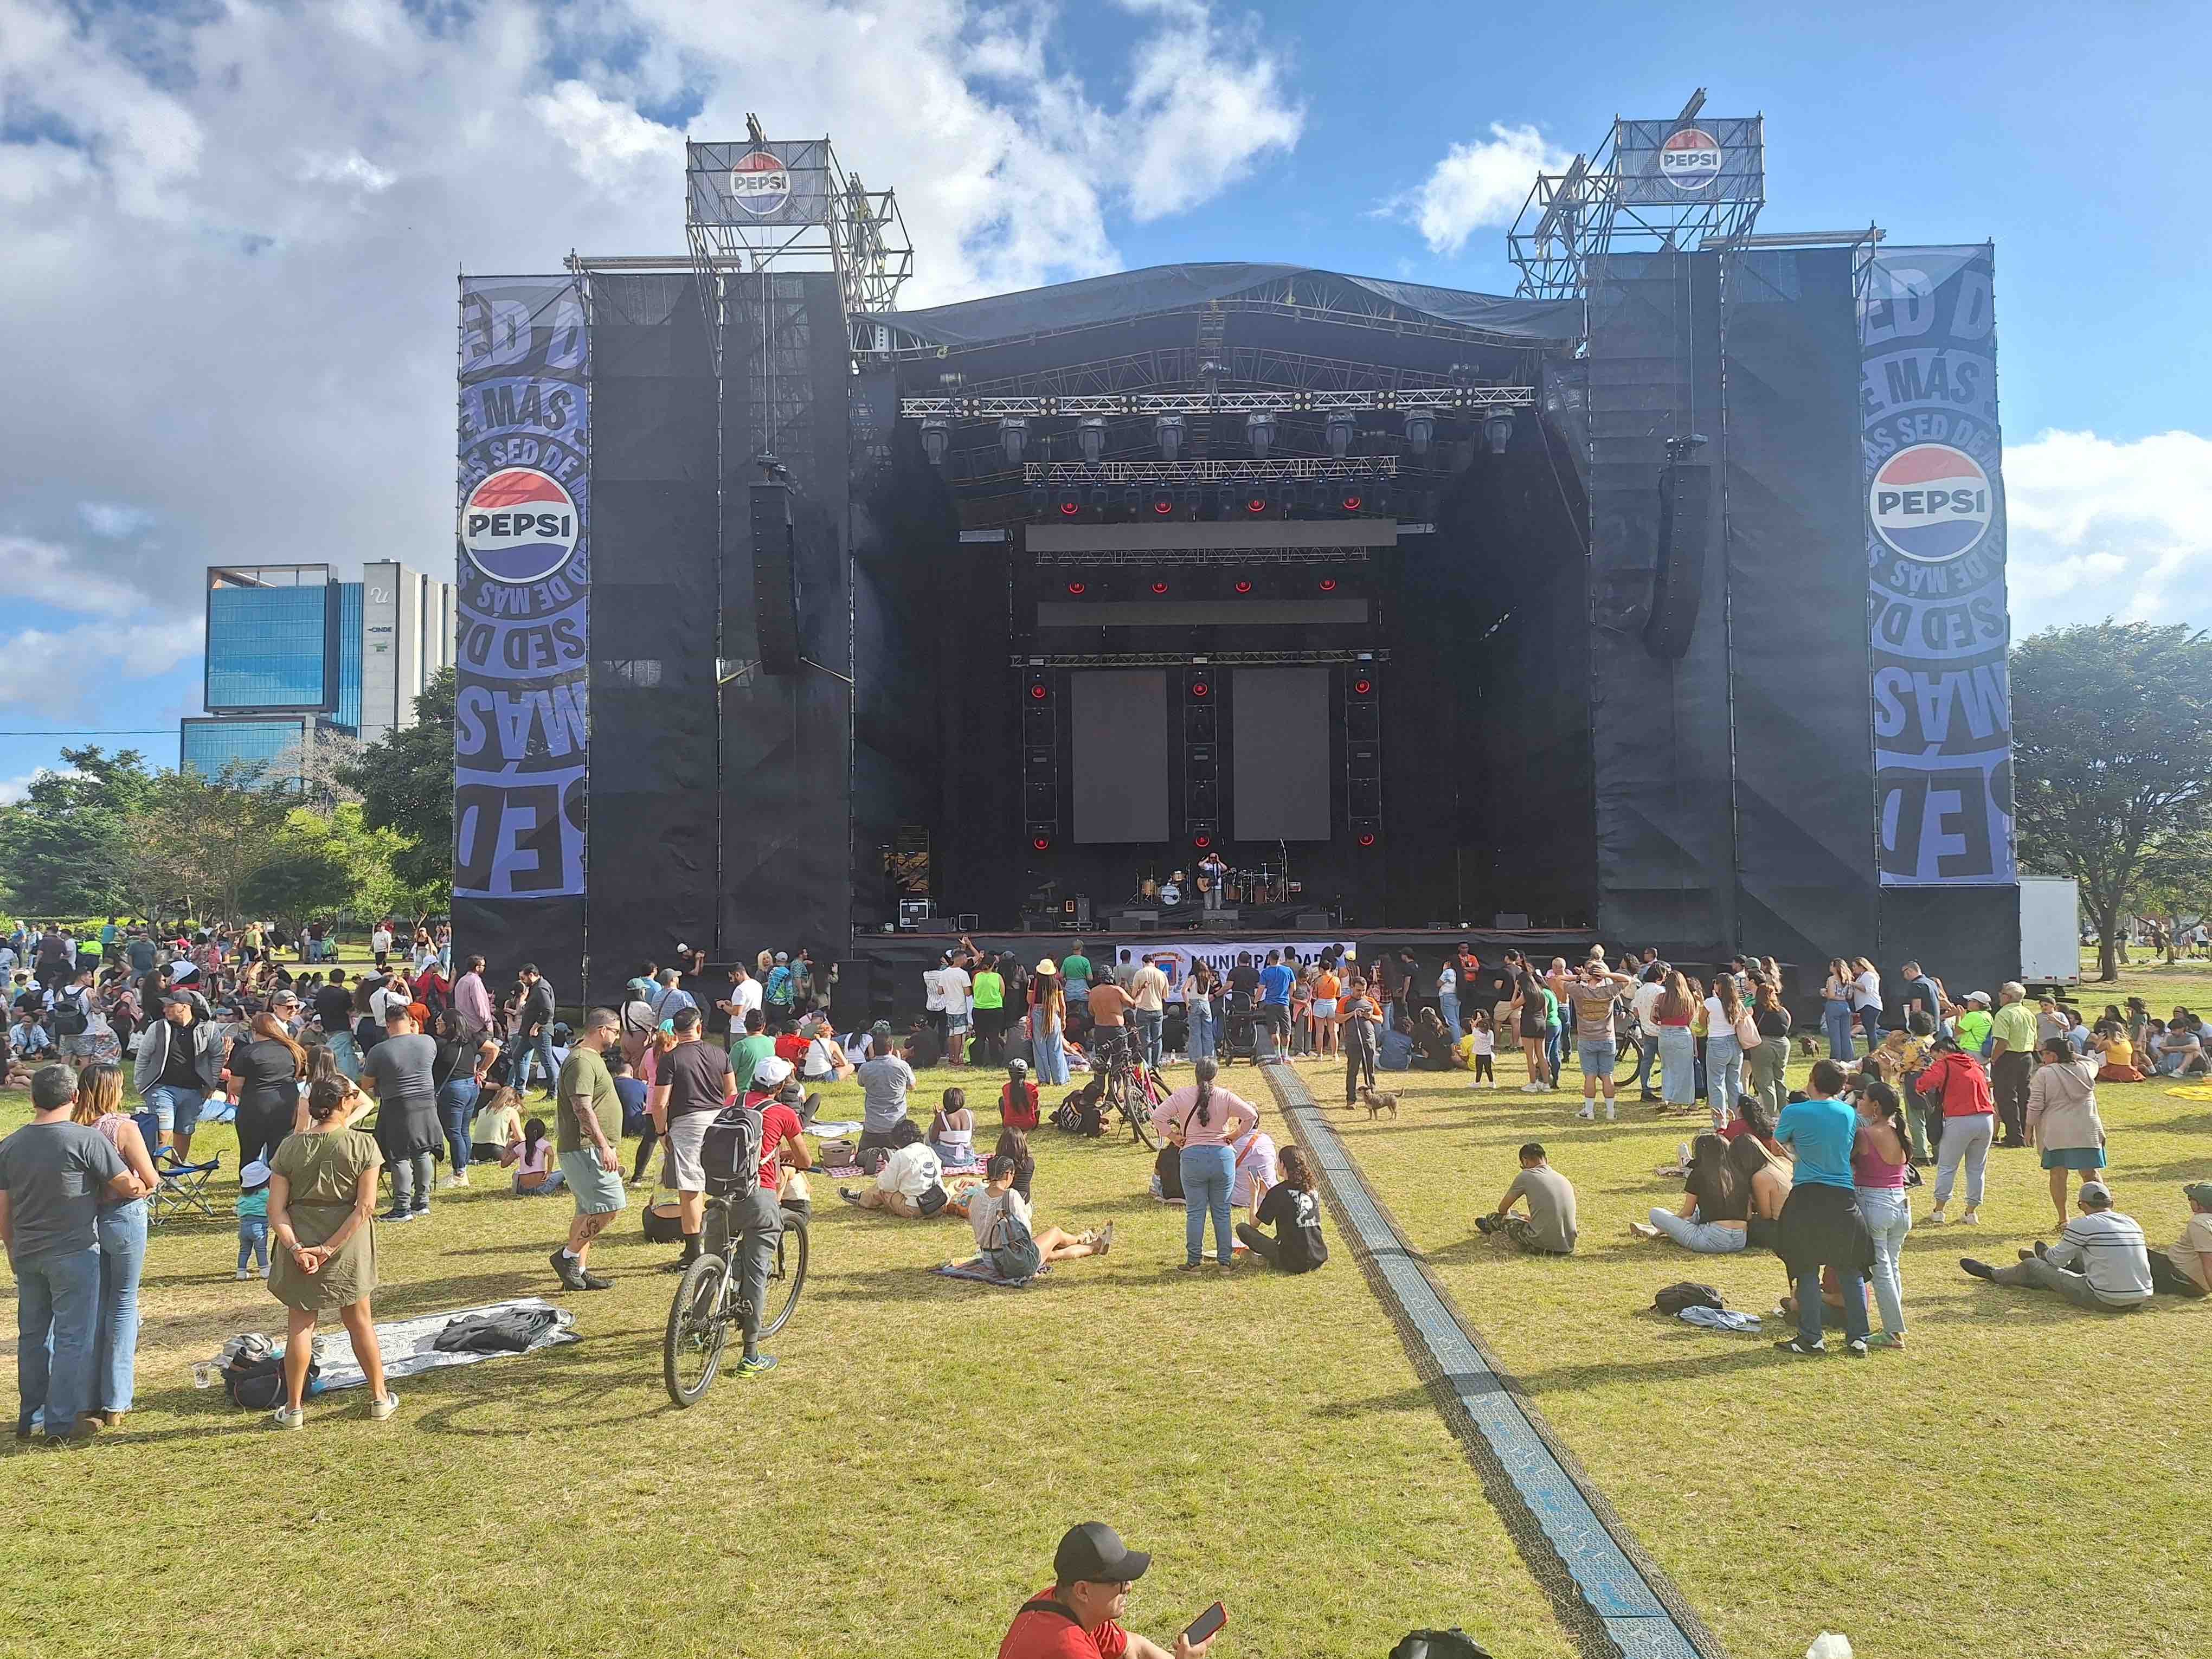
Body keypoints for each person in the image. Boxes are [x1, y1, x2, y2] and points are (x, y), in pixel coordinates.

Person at [1, 1065, 144, 1442]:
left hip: (28, 1252)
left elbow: (4, 1211)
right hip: (75, 1251)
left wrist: (12, 1250)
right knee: (71, 1337)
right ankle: (61, 1421)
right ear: (75, 1097)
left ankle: (31, 1415)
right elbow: (125, 1184)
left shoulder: (10, 1145)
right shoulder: (85, 1139)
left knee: (32, 1337)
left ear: (32, 1100)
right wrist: (141, 1184)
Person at [266, 1075, 398, 1427]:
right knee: (359, 1322)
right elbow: (365, 1207)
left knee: (300, 1326)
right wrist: (328, 1248)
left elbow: (275, 1210)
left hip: (300, 1237)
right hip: (347, 1242)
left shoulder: (290, 1147)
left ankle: (294, 1408)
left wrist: (296, 1248)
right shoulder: (363, 1146)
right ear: (343, 1103)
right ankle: (379, 1398)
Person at [73, 1062, 159, 1429]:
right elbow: (151, 1177)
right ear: (112, 1090)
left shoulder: (73, 1129)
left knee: (94, 1306)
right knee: (123, 1304)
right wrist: (142, 1184)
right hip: (122, 1215)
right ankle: (116, 1400)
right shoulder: (121, 1127)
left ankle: (87, 1398)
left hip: (84, 1220)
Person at [1772, 1059, 1876, 1357]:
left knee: (1805, 1267)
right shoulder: (1848, 1112)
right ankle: (1859, 1337)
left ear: (1813, 1080)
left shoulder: (1795, 1111)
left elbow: (1779, 1141)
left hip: (1806, 1195)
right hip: (1842, 1196)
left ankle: (1811, 1337)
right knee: (1850, 1267)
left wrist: (1798, 1153)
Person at [996, 1521, 1217, 1659]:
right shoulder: (1068, 1650)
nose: (1128, 1587)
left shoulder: (1068, 1606)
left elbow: (1136, 1650)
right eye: (1117, 1581)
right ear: (1083, 1591)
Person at [1960, 1180, 2152, 1311]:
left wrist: (2045, 1256)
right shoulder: (2132, 1222)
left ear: (2082, 1205)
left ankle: (1994, 1274)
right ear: (2111, 1203)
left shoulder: (2083, 1225)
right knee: (2081, 1256)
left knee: (2032, 1266)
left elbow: (2056, 1261)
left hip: (2105, 1298)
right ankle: (2040, 1266)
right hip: (2141, 1297)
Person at [648, 1007, 736, 1269]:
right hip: (719, 1121)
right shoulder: (720, 1054)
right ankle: (724, 1240)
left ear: (675, 1032)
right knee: (722, 1183)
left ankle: (692, 1252)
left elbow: (660, 1103)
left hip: (686, 1124)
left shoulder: (671, 1059)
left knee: (690, 1189)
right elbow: (732, 1092)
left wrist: (661, 1132)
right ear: (700, 1028)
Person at [1151, 1058, 1259, 1270]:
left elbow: (1157, 1116)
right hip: (1222, 1157)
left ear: (1196, 1074)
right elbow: (1251, 1115)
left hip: (1192, 1157)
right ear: (1215, 1076)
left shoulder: (1182, 1096)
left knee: (1195, 1212)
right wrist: (1235, 1135)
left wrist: (1173, 1137)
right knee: (1222, 1212)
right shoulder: (1225, 1096)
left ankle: (1194, 1262)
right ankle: (1225, 1262)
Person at [954, 1153, 1111, 1281]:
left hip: (989, 1260)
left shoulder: (976, 1198)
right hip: (1012, 1260)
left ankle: (1091, 1245)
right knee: (1055, 1233)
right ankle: (1085, 1241)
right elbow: (1025, 1232)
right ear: (1009, 1175)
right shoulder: (1011, 1196)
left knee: (1048, 1253)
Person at [357, 1006, 443, 1223]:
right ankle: (422, 1202)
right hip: (426, 1101)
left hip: (398, 1105)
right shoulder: (428, 1042)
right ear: (410, 1020)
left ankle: (402, 1207)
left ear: (387, 1025)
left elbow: (366, 1084)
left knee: (399, 1156)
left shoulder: (379, 1051)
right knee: (423, 1151)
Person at [1851, 1078, 1912, 1349]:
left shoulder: (1868, 1134)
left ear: (1875, 1106)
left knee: (1882, 1270)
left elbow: (1848, 1158)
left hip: (1877, 1205)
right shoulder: (1898, 1129)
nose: (1859, 1103)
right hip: (1900, 1203)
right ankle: (1893, 1324)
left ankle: (1893, 1331)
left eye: (1862, 1099)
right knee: (1892, 1266)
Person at [2023, 1035, 2106, 1234]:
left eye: (2044, 1053)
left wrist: (2028, 1129)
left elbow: (2035, 1105)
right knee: (2091, 1173)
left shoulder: (2044, 1073)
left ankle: (2064, 1219)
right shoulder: (2086, 1069)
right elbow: (2091, 1061)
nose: (2042, 1058)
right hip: (2087, 1129)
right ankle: (2103, 1215)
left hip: (2056, 1132)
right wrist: (2068, 1053)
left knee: (2058, 1174)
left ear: (2053, 1055)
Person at [1914, 1034, 1995, 1226]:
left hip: (1960, 1119)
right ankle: (1971, 1212)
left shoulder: (1944, 1064)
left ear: (1942, 1052)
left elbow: (1924, 1084)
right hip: (1986, 1119)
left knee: (1947, 1166)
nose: (1934, 1061)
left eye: (1935, 1057)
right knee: (1977, 1169)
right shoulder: (1974, 1063)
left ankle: (1939, 1211)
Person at [134, 989, 224, 1159]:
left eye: (169, 1006)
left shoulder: (209, 1029)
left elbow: (217, 1056)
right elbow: (143, 1056)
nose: (165, 1009)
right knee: (162, 1131)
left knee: (185, 1132)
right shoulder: (159, 1027)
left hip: (194, 1090)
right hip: (162, 1088)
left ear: (184, 1007)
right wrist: (141, 1085)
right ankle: (152, 1175)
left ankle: (174, 1173)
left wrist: (211, 1083)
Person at [222, 1006, 309, 1171]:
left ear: (255, 1031)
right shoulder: (294, 1050)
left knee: (249, 1155)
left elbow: (235, 1087)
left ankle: (251, 1192)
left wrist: (252, 1093)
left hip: (255, 1107)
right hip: (287, 1106)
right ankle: (279, 1192)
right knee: (280, 1156)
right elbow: (301, 1077)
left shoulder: (248, 1052)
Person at [1630, 1133, 1746, 1253]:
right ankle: (1658, 1230)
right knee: (1698, 1212)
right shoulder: (1739, 1173)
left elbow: (1687, 1212)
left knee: (1655, 1213)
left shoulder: (1699, 1173)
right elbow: (1747, 1214)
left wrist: (1670, 1224)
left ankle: (1658, 1229)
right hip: (1740, 1241)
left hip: (1711, 1240)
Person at [1236, 1143, 1328, 1273]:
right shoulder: (1311, 1190)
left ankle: (1265, 1259)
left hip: (1291, 1261)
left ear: (1283, 1164)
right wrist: (1267, 1192)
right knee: (1288, 1232)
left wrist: (1254, 1195)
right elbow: (1288, 1204)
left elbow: (1254, 1223)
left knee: (1242, 1228)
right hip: (1318, 1256)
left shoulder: (1278, 1192)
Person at [1476, 1142, 1578, 1255]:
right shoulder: (1563, 1179)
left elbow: (1503, 1210)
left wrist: (1511, 1217)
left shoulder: (1526, 1175)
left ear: (1525, 1161)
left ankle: (1493, 1229)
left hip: (1541, 1244)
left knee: (1494, 1218)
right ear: (1546, 1160)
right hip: (1567, 1246)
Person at [1567, 958, 1632, 1121]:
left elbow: (1557, 979)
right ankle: (1610, 1112)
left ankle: (1589, 1111)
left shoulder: (1579, 992)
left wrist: (1579, 978)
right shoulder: (1609, 992)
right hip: (1607, 1038)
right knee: (1607, 1075)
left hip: (1586, 1038)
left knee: (1590, 1076)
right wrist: (1607, 974)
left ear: (1589, 974)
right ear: (1602, 977)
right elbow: (1628, 980)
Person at [841, 1119, 946, 1217]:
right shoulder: (929, 1150)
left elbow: (887, 1187)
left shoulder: (902, 1154)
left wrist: (884, 1173)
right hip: (940, 1205)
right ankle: (862, 1196)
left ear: (897, 1142)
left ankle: (861, 1199)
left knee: (882, 1189)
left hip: (918, 1209)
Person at [1986, 981, 2037, 1148]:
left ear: (2007, 997)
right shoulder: (2028, 1013)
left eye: (2001, 994)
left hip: (2008, 1056)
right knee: (2025, 1095)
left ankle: (2014, 1136)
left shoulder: (2004, 1013)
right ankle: (2025, 1132)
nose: (1999, 997)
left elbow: (2002, 1041)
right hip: (2027, 1056)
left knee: (2006, 1097)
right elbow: (2035, 1038)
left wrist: (1994, 1058)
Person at [855, 1032, 918, 1161]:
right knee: (905, 1153)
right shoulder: (902, 1066)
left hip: (872, 1125)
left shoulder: (865, 1068)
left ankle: (871, 1153)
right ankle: (893, 1153)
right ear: (891, 1048)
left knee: (860, 1159)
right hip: (896, 1126)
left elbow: (861, 1083)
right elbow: (912, 1087)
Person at [2150, 1182, 2212, 1297]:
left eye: (2191, 1198)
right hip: (2183, 1274)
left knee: (2133, 1251)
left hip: (2181, 1277)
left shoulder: (2200, 1223)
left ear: (2200, 1204)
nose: (2189, 1201)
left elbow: (2208, 1261)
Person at [1336, 975, 1382, 1103]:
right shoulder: (1344, 1001)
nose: (1361, 993)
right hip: (1353, 1042)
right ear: (1351, 988)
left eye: (1363, 990)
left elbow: (1381, 1019)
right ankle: (1351, 1099)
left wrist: (1370, 1016)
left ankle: (1372, 1098)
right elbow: (1338, 1019)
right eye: (1358, 990)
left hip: (1369, 1040)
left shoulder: (1371, 1001)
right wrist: (1352, 1014)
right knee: (1353, 1071)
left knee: (1370, 1071)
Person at [515, 963, 557, 1097]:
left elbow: (548, 1011)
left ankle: (553, 1092)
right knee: (517, 1056)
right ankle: (519, 1090)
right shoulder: (535, 987)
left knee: (547, 1061)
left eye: (523, 978)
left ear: (531, 975)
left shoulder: (541, 988)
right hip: (530, 1032)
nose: (522, 982)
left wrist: (536, 1026)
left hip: (540, 1032)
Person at [1031, 959, 1070, 1086]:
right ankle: (1060, 1080)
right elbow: (1062, 1005)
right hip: (1053, 1013)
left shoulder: (1034, 983)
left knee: (1039, 1047)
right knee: (1055, 1047)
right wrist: (1063, 1019)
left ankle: (1043, 1080)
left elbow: (1029, 1000)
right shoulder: (1056, 984)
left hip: (1037, 1013)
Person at [1128, 954, 1169, 1070]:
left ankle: (1147, 1064)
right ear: (1153, 961)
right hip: (1157, 1009)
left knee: (1145, 1039)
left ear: (1143, 962)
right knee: (1157, 1038)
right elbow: (1165, 995)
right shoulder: (1162, 974)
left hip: (1143, 1009)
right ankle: (1156, 1064)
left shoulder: (1139, 974)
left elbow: (1133, 994)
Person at [503, 1117, 563, 1194]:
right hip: (541, 1188)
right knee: (563, 1172)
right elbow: (551, 1154)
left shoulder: (520, 1146)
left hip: (523, 1190)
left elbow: (504, 1164)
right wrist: (548, 1173)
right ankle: (558, 1185)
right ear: (543, 1132)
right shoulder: (544, 1143)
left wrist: (507, 1148)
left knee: (517, 1173)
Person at [237, 1158, 272, 1280]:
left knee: (244, 1251)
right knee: (261, 1249)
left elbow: (237, 1209)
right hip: (259, 1227)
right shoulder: (266, 1194)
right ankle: (264, 1269)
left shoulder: (243, 1197)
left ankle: (241, 1272)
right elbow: (273, 1207)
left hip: (243, 1228)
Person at [930, 1087, 978, 1168]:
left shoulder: (941, 1117)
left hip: (946, 1159)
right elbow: (970, 1136)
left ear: (945, 1102)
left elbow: (932, 1139)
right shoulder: (970, 1114)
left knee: (930, 1131)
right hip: (968, 1158)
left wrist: (937, 1118)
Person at [1456, 1011, 1496, 1085]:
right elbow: (1492, 1046)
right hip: (1488, 1055)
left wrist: (1477, 1020)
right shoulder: (1491, 1033)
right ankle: (1492, 1083)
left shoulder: (1476, 1034)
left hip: (1480, 1055)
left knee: (1479, 1070)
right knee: (1488, 1070)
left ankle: (1477, 1083)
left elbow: (1473, 1027)